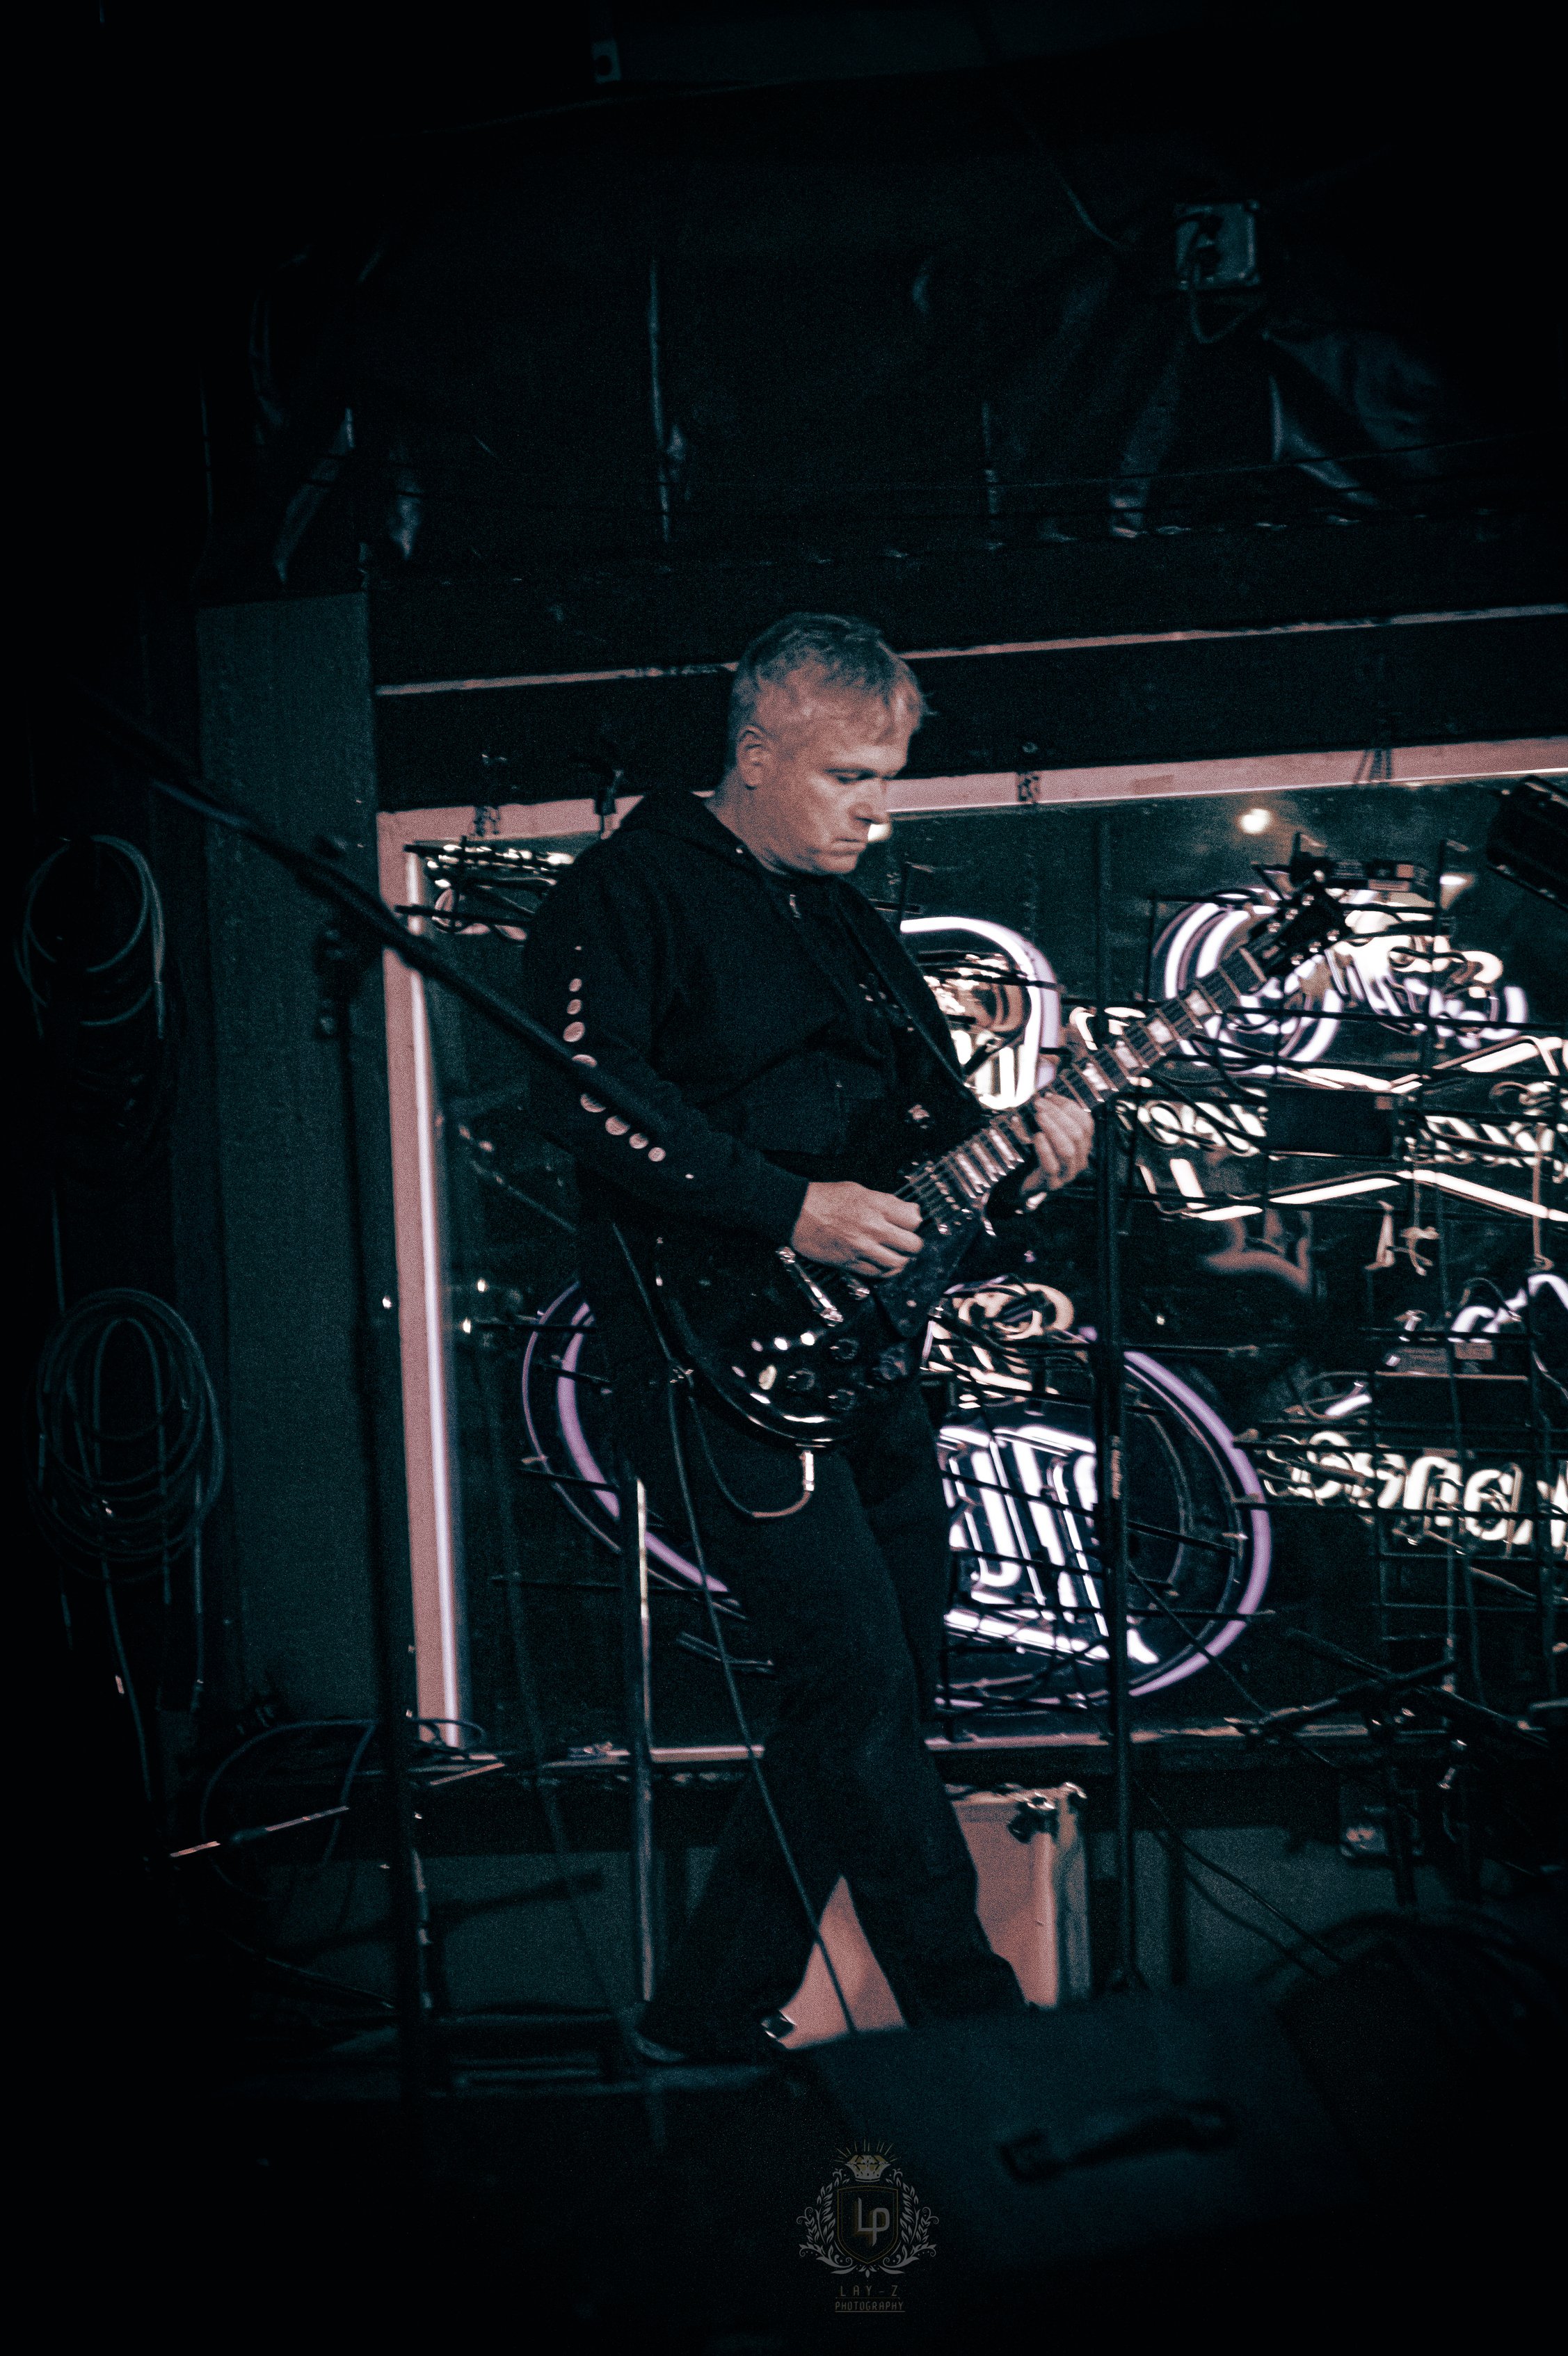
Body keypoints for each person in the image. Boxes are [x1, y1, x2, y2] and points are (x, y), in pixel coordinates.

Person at [525, 611, 1092, 2062]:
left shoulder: (845, 912)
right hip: (713, 1353)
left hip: (865, 1355)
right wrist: (788, 1210)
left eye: (886, 776)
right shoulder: (623, 890)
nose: (874, 806)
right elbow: (589, 1098)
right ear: (757, 752)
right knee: (853, 1676)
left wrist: (1020, 1142)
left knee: (879, 1669)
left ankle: (704, 2015)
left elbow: (922, 1124)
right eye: (848, 775)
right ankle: (975, 2036)